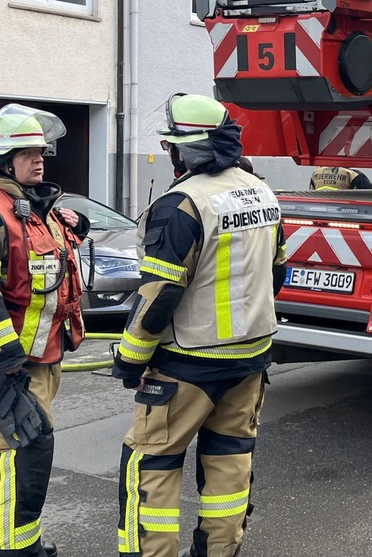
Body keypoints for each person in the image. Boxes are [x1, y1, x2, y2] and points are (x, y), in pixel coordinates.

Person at [113, 94, 286, 557]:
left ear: (185, 150)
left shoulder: (183, 203)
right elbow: (277, 273)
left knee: (150, 462)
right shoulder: (261, 191)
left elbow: (159, 295)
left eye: (173, 147)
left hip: (187, 363)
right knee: (230, 463)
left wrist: (130, 359)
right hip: (251, 359)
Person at [0, 105, 88, 557]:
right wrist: (7, 363)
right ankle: (11, 550)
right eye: (27, 152)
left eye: (41, 151)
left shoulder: (30, 208)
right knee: (15, 459)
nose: (40, 159)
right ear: (3, 160)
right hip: (4, 366)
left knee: (5, 459)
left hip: (39, 361)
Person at [308, 165, 372, 190]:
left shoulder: (316, 172)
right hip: (342, 209)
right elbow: (369, 194)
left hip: (319, 208)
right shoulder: (352, 174)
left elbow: (311, 192)